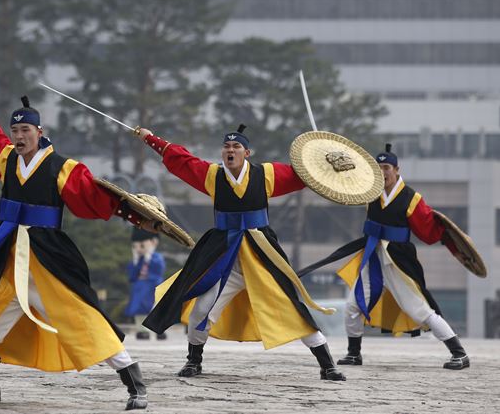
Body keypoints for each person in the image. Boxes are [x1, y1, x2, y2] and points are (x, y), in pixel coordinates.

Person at [0, 96, 157, 410]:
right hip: (7, 258)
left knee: (84, 322)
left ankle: (135, 385)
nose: (19, 136)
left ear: (40, 131)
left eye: (25, 129)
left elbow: (93, 196)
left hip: (46, 259)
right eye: (15, 130)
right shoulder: (7, 158)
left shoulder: (62, 167)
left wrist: (135, 217)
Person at [137, 124, 346, 381]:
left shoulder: (265, 174)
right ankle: (194, 361)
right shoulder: (212, 176)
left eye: (236, 147)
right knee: (201, 309)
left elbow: (303, 175)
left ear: (247, 152)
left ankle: (327, 365)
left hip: (261, 256)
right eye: (226, 147)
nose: (230, 150)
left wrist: (328, 163)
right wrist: (152, 140)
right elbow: (183, 161)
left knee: (292, 308)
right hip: (224, 259)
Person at [297, 144, 470, 370]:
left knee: (419, 310)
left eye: (386, 167)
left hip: (398, 261)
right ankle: (354, 353)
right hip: (374, 255)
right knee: (353, 306)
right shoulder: (371, 191)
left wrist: (451, 238)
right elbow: (345, 185)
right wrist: (331, 166)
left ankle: (459, 353)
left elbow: (428, 230)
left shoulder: (411, 198)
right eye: (378, 168)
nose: (382, 172)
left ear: (397, 169)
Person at [125, 228, 166, 340]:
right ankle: (142, 330)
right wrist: (135, 260)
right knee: (140, 310)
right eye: (135, 246)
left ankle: (159, 329)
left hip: (152, 286)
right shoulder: (138, 260)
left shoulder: (156, 258)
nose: (138, 249)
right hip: (139, 288)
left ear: (153, 242)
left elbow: (159, 270)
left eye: (142, 245)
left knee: (155, 309)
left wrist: (148, 257)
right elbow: (132, 275)